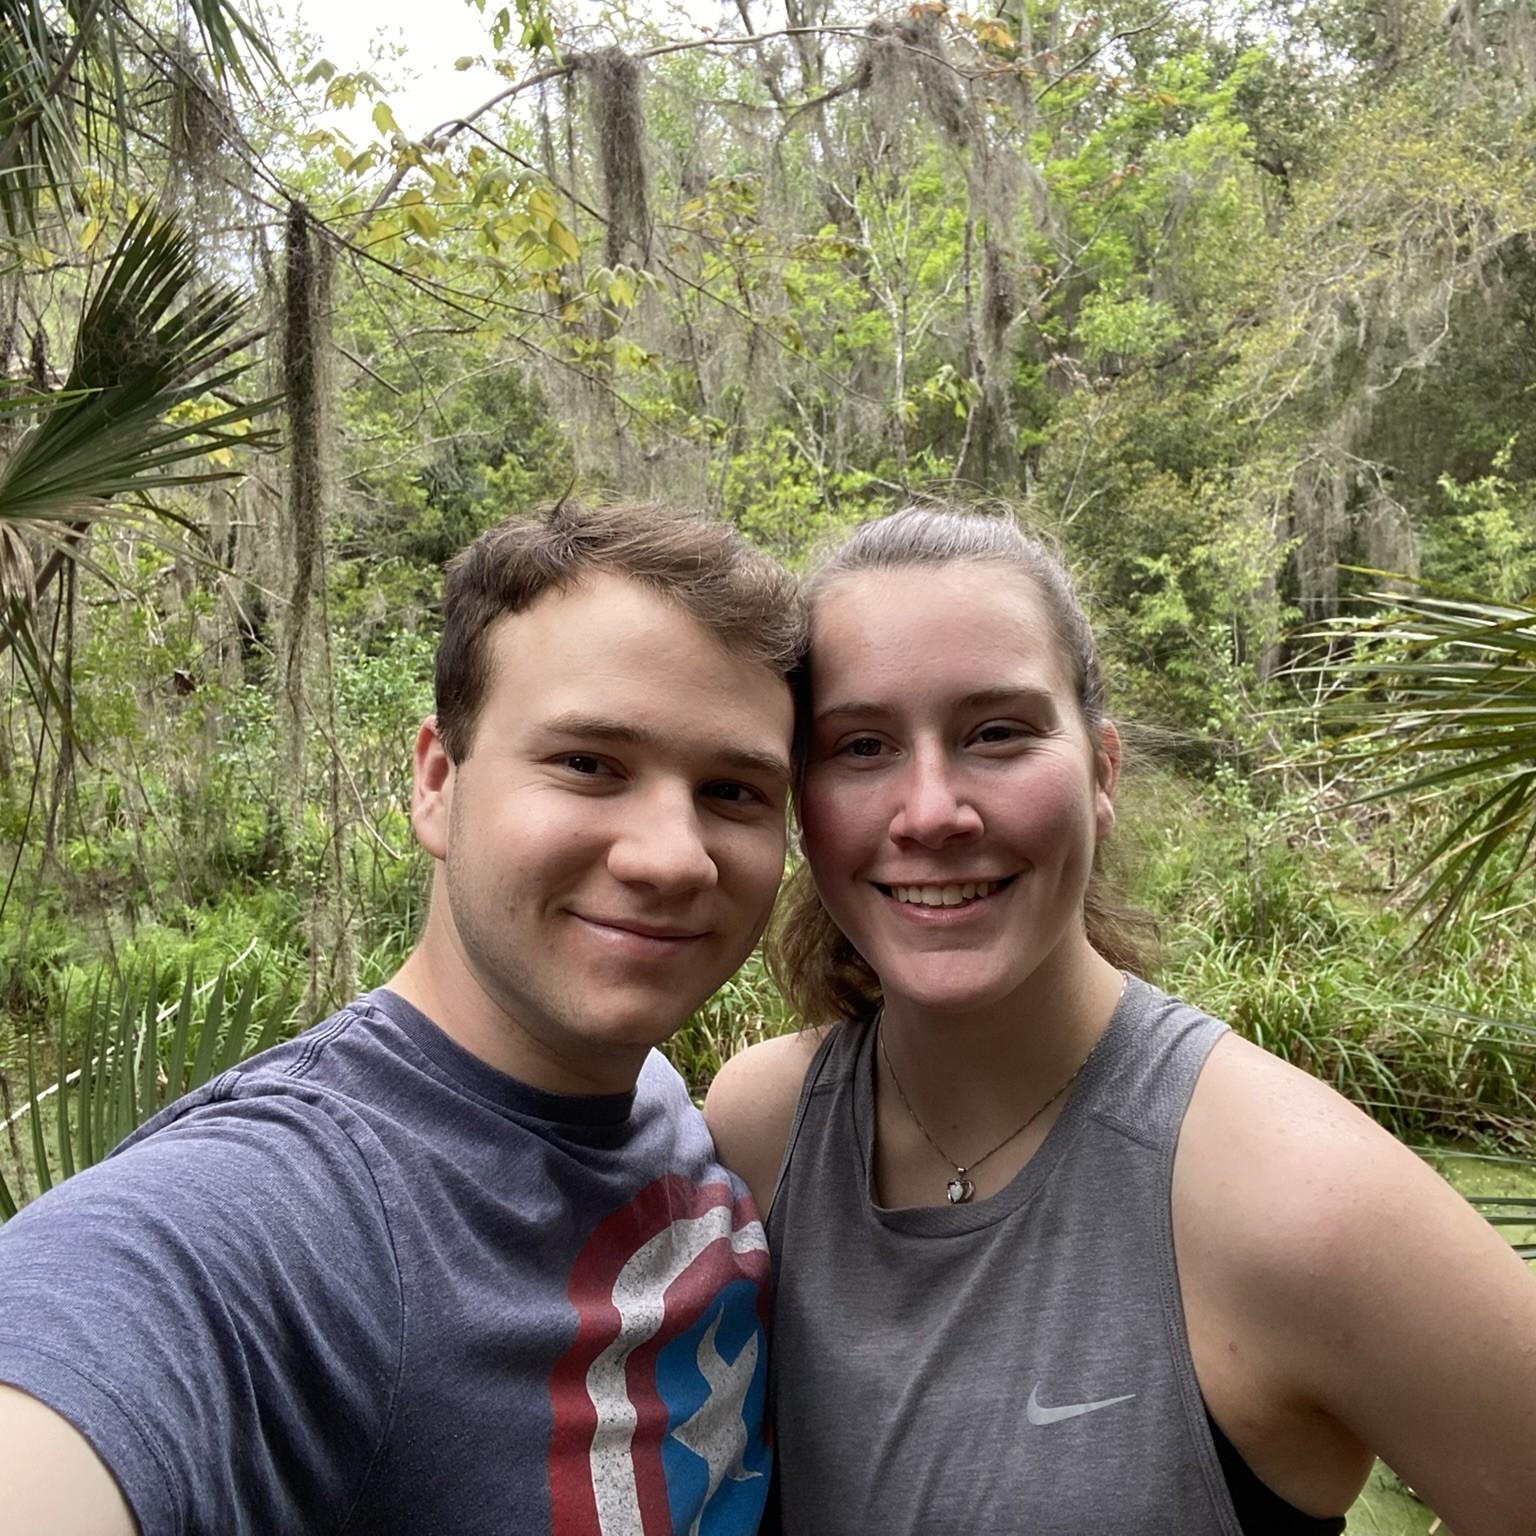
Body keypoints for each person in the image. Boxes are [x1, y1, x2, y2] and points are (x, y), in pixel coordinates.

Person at [706, 505, 1536, 1536]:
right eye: (861, 745)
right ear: (803, 804)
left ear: (1101, 772)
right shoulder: (760, 1128)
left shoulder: (1298, 1201)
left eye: (996, 734)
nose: (930, 812)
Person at [0, 502, 803, 1536]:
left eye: (733, 791)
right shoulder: (284, 1209)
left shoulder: (665, 1108)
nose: (670, 856)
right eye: (588, 764)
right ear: (436, 781)